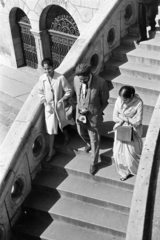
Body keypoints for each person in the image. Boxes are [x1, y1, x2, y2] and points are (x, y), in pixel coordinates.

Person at [73, 63, 109, 175]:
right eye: (80, 79)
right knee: (80, 132)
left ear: (89, 74)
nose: (81, 81)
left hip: (93, 117)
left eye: (84, 79)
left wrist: (95, 111)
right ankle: (88, 143)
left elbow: (105, 101)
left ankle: (94, 163)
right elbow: (76, 95)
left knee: (94, 139)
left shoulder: (100, 83)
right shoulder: (75, 80)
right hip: (80, 115)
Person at [39, 57, 75, 162]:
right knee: (51, 130)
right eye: (45, 69)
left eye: (48, 68)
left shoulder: (60, 78)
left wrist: (62, 100)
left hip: (59, 106)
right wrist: (45, 102)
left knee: (63, 123)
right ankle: (51, 151)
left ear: (53, 67)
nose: (47, 71)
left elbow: (69, 90)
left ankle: (67, 136)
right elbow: (40, 92)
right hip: (49, 108)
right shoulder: (42, 78)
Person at [113, 86, 143, 181]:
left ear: (131, 96)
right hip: (121, 129)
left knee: (132, 154)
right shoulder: (119, 100)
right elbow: (114, 117)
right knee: (119, 153)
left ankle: (136, 170)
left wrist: (124, 118)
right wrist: (126, 120)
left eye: (125, 100)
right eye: (122, 99)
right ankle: (124, 172)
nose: (123, 102)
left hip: (133, 131)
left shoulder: (138, 103)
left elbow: (138, 122)